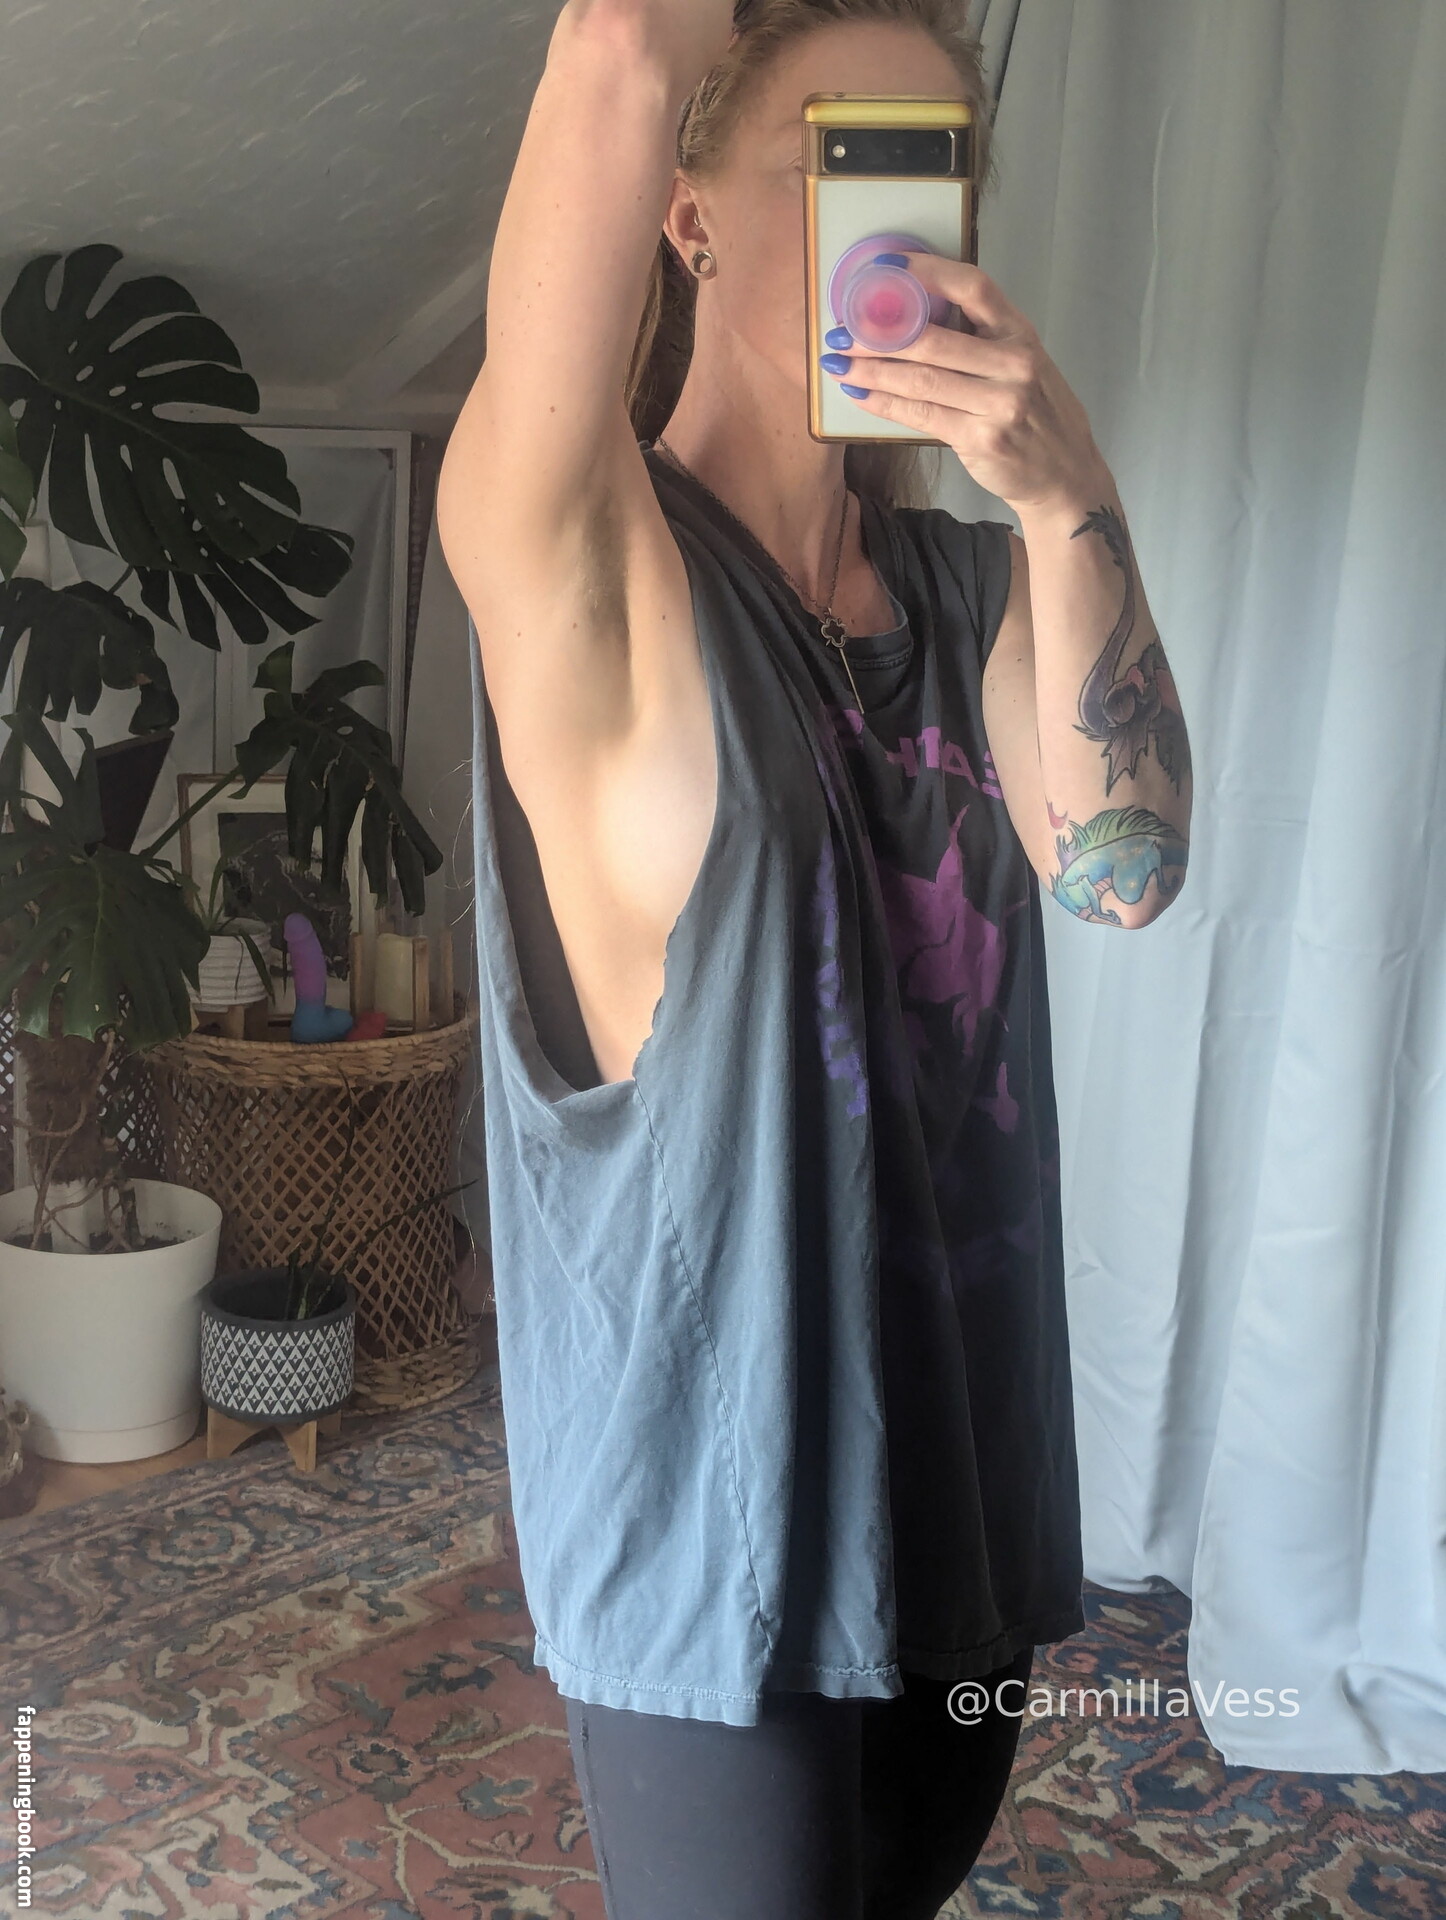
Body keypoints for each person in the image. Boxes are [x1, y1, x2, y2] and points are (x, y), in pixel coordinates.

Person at [437, 1, 1179, 1913]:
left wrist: (1063, 493)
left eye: (933, 172)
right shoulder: (591, 559)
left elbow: (1122, 868)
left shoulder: (971, 585)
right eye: (843, 157)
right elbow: (617, 42)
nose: (895, 226)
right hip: (720, 1539)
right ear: (684, 213)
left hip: (958, 1480)